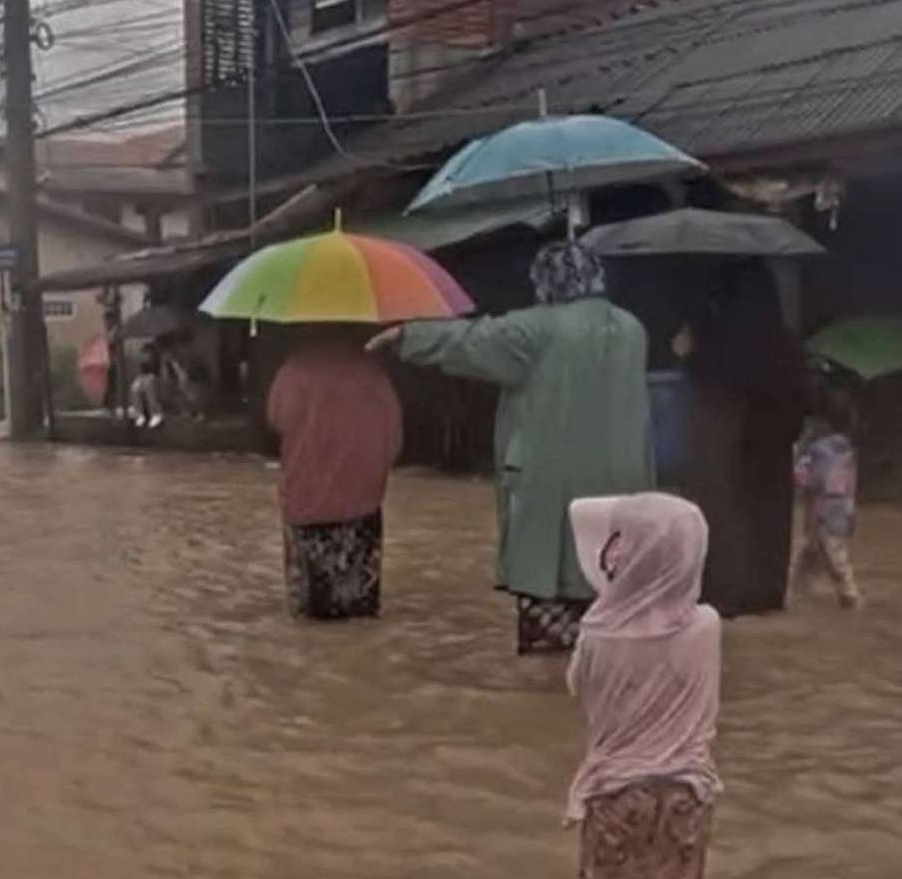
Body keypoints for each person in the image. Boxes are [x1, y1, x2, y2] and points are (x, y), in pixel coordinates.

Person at [371, 242, 653, 654]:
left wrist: (406, 336)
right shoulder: (632, 329)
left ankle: (549, 681)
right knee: (610, 595)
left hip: (551, 483)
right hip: (625, 483)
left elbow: (471, 341)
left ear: (544, 281)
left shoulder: (535, 330)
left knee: (550, 604)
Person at [563, 494, 722, 879]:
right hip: (687, 797)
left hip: (619, 796)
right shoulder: (706, 627)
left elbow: (578, 688)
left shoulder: (598, 635)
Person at [675, 262, 803, 617]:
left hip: (727, 446)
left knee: (725, 508)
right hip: (773, 448)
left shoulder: (716, 340)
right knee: (771, 514)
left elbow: (702, 381)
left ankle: (725, 591)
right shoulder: (784, 343)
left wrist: (687, 351)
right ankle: (767, 591)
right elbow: (801, 398)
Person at [267, 331, 404, 620]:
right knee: (359, 613)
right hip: (362, 506)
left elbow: (276, 420)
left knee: (308, 614)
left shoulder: (294, 371)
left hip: (304, 504)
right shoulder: (372, 374)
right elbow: (393, 443)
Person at [791, 392, 862, 609]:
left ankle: (849, 593)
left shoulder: (819, 450)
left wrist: (797, 470)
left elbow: (809, 478)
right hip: (841, 505)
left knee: (830, 548)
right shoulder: (845, 448)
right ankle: (798, 590)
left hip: (824, 506)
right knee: (814, 548)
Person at [131, 343, 164, 428]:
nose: (145, 356)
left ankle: (156, 414)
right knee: (135, 386)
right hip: (145, 379)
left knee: (149, 383)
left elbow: (159, 374)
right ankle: (139, 415)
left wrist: (149, 377)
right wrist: (139, 380)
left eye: (147, 353)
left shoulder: (158, 361)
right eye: (144, 353)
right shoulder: (143, 363)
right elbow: (140, 374)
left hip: (156, 380)